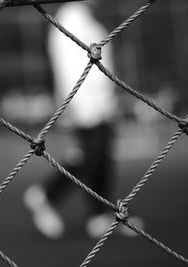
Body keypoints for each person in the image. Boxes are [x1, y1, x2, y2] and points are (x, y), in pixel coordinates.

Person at [24, 1, 143, 239]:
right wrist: (77, 104)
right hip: (87, 105)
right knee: (93, 154)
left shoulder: (84, 17)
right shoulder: (71, 19)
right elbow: (67, 67)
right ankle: (54, 197)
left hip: (98, 104)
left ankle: (94, 213)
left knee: (94, 155)